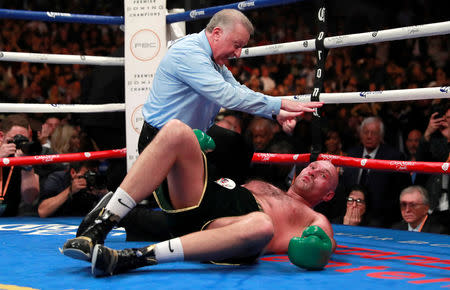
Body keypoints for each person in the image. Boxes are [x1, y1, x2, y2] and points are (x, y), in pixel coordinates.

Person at [62, 119, 339, 276]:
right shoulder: (265, 184)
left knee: (263, 224)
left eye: (323, 175)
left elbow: (325, 245)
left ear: (328, 194)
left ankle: (132, 258)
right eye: (313, 166)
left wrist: (315, 250)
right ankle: (99, 225)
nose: (313, 171)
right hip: (201, 204)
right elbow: (223, 185)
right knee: (176, 131)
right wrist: (199, 155)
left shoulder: (315, 218)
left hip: (227, 235)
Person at [138, 8, 322, 154]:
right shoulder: (189, 53)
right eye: (236, 45)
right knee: (197, 191)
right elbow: (227, 96)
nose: (238, 53)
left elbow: (237, 89)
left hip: (193, 133)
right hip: (160, 139)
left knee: (239, 146)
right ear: (217, 33)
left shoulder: (213, 59)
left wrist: (276, 113)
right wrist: (280, 102)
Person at [341, 116, 411, 227]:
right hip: (351, 214)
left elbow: (401, 189)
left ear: (381, 136)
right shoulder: (352, 154)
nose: (369, 136)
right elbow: (345, 186)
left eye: (373, 133)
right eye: (366, 132)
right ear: (360, 134)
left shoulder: (394, 156)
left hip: (383, 219)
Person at [415, 105, 450, 230]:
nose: (446, 121)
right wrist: (428, 133)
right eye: (445, 117)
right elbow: (419, 162)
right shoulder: (437, 141)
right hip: (435, 202)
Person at [0, 114, 40, 216]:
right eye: (14, 139)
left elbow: (29, 199)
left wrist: (27, 167)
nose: (18, 144)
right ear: (1, 136)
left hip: (12, 219)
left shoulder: (31, 156)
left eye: (23, 140)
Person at [38, 161, 108, 218]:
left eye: (94, 174)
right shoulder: (57, 179)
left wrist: (103, 194)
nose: (91, 178)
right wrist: (70, 190)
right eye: (88, 174)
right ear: (73, 173)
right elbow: (43, 211)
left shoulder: (96, 183)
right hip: (56, 223)